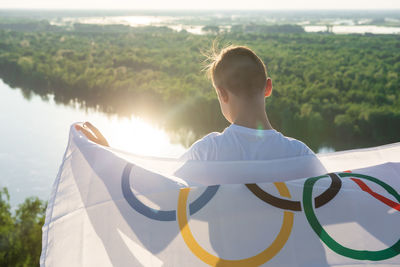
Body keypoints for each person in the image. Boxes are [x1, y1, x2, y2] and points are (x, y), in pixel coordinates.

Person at [76, 45, 314, 160]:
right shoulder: (301, 154)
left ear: (221, 94)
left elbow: (154, 196)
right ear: (268, 88)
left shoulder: (208, 152)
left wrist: (106, 157)